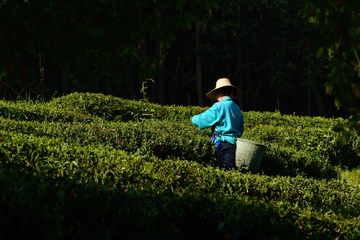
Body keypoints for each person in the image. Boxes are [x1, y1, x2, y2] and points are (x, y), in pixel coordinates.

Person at [191, 78, 244, 170]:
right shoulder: (237, 108)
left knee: (223, 173)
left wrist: (193, 118)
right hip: (236, 147)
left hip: (223, 146)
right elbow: (241, 129)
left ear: (219, 92)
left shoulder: (218, 106)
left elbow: (202, 120)